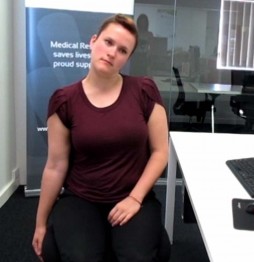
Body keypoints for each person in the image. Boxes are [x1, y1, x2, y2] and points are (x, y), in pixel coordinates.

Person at [32, 14, 170, 261]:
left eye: (122, 50)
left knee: (136, 257)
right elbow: (55, 165)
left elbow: (160, 152)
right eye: (108, 42)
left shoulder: (144, 91)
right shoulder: (64, 100)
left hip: (133, 194)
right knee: (80, 257)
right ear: (93, 41)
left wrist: (135, 198)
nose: (112, 52)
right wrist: (40, 223)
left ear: (127, 58)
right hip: (81, 198)